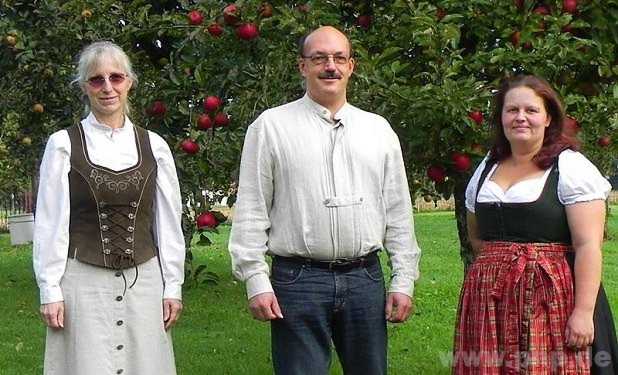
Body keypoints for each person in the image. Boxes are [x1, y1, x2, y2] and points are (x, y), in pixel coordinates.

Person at [228, 26, 421, 375]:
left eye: (338, 58)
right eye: (319, 58)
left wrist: (403, 279)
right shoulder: (270, 127)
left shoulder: (378, 130)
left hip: (365, 279)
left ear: (351, 66)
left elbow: (398, 211)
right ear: (302, 66)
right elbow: (252, 209)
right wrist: (255, 279)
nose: (329, 66)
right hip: (298, 281)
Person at [33, 41, 185, 375]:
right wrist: (50, 289)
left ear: (129, 82)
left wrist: (172, 286)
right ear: (84, 86)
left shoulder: (155, 146)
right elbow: (50, 224)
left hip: (144, 280)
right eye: (96, 79)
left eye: (116, 77)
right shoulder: (62, 144)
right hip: (81, 282)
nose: (107, 87)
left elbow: (168, 224)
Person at [453, 75, 617, 374]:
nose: (520, 117)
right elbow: (477, 237)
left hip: (554, 299)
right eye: (511, 110)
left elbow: (588, 246)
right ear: (501, 117)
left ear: (548, 117)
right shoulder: (488, 165)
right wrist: (501, 271)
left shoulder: (570, 166)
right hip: (492, 302)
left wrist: (583, 313)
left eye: (531, 110)